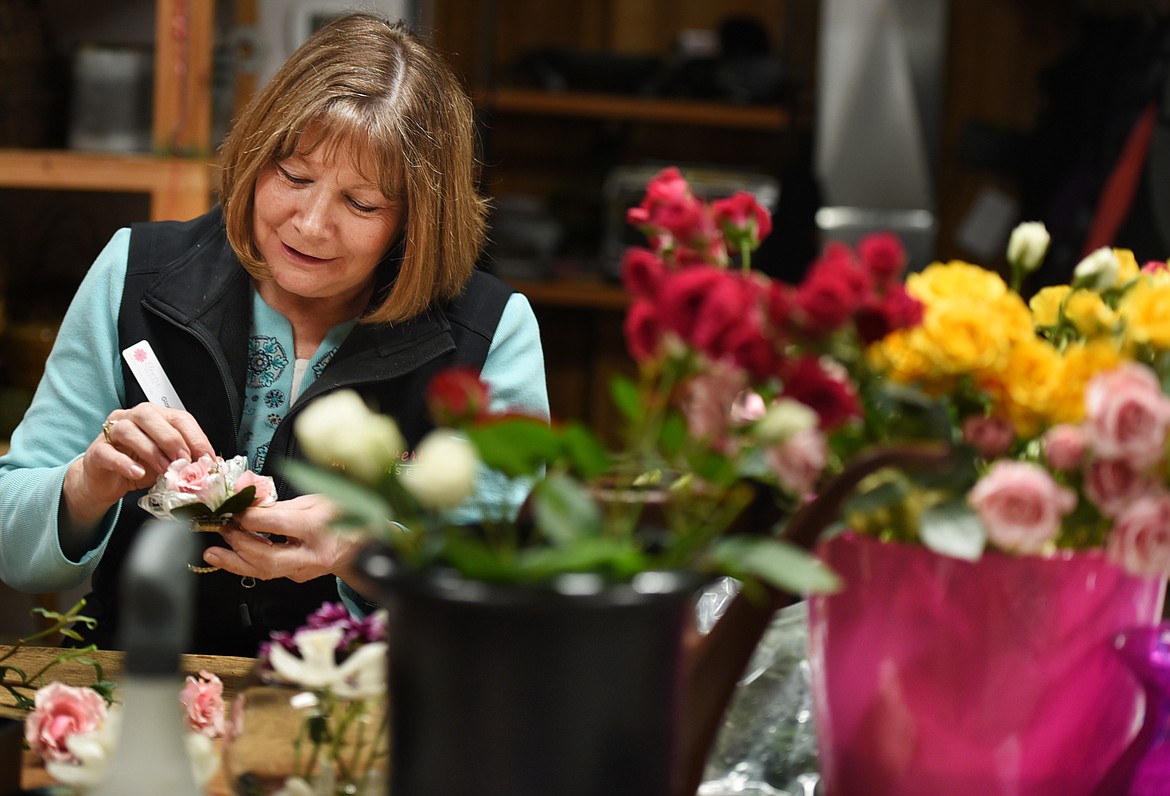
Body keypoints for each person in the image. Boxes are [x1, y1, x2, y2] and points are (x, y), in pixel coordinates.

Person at [0, 14, 548, 656]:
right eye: (292, 176)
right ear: (256, 157)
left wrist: (362, 550)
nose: (312, 225)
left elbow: (504, 592)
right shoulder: (136, 274)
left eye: (362, 204)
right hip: (138, 677)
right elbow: (15, 551)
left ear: (418, 221)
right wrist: (88, 483)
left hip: (370, 697)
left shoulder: (487, 331)